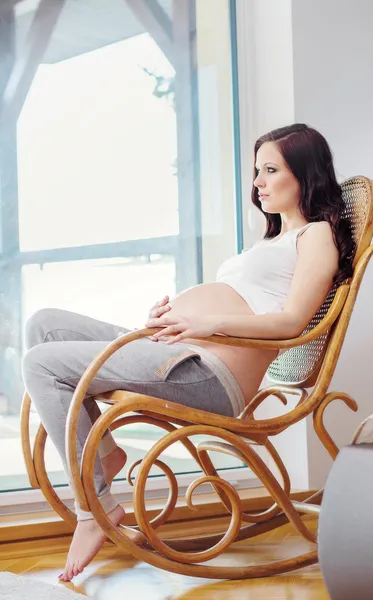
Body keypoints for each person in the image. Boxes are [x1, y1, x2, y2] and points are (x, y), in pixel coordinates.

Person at [21, 123, 354, 581]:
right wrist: (167, 318)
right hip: (179, 351)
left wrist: (206, 322)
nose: (257, 182)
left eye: (270, 170)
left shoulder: (315, 235)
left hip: (210, 374)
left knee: (40, 364)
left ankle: (93, 507)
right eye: (257, 170)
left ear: (305, 174)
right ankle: (107, 453)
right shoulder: (270, 241)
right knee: (44, 325)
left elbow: (291, 323)